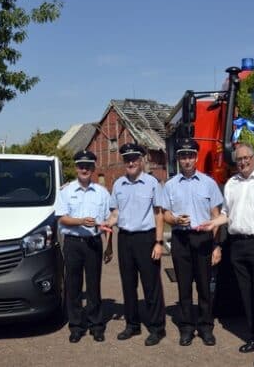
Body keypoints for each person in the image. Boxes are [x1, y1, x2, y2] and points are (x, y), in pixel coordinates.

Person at [200, 143, 254, 366]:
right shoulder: (232, 184)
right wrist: (213, 223)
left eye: (247, 157)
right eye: (239, 159)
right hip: (238, 245)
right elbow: (227, 214)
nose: (243, 162)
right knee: (246, 294)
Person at [161, 138, 223, 346]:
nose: (186, 160)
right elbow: (165, 214)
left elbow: (216, 216)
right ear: (178, 159)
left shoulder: (209, 183)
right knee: (184, 286)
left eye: (190, 156)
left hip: (203, 238)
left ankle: (206, 327)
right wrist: (175, 220)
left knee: (205, 286)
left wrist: (216, 245)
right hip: (181, 238)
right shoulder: (170, 185)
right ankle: (187, 327)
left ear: (196, 157)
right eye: (182, 156)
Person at [105, 143, 166, 346]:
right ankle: (132, 324)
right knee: (128, 284)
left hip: (146, 238)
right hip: (125, 239)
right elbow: (115, 213)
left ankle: (157, 327)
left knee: (151, 285)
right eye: (127, 159)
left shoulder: (152, 183)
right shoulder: (118, 184)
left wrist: (159, 242)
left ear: (141, 161)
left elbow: (159, 214)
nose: (130, 162)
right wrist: (107, 224)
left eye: (134, 159)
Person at [54, 150, 111, 343]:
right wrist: (80, 222)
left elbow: (107, 223)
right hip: (73, 243)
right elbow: (62, 218)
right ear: (76, 168)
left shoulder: (102, 193)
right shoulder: (66, 191)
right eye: (81, 166)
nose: (84, 169)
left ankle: (96, 325)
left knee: (94, 286)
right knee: (73, 286)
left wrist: (109, 246)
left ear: (93, 168)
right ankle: (76, 326)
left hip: (93, 243)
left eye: (88, 166)